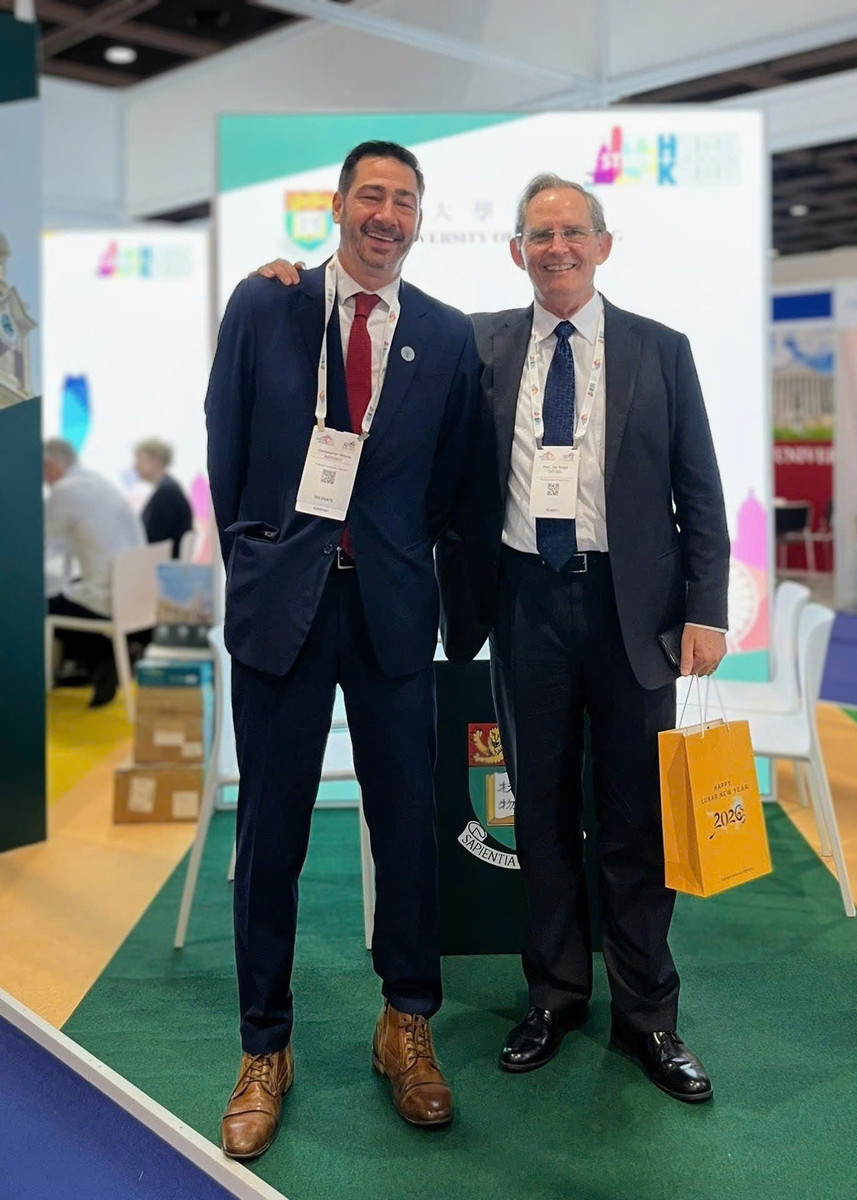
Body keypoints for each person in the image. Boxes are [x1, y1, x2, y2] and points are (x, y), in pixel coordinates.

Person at [256, 172, 730, 1105]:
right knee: (538, 815)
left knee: (633, 821)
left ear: (603, 245)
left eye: (573, 232)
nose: (557, 249)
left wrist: (705, 609)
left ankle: (649, 1015)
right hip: (522, 604)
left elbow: (700, 488)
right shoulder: (476, 342)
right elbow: (376, 339)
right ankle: (554, 995)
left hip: (632, 611)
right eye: (539, 236)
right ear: (516, 251)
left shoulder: (661, 349)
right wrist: (289, 290)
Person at [205, 141, 480, 1160]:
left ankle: (406, 1022)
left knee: (408, 827)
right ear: (336, 205)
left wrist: (400, 554)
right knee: (269, 833)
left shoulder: (445, 335)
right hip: (284, 606)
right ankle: (263, 1046)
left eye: (404, 201)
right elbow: (226, 441)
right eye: (371, 194)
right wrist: (258, 555)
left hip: (392, 610)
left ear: (418, 221)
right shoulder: (266, 305)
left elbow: (453, 477)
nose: (386, 214)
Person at [44, 438, 145, 707]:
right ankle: (105, 658)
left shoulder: (64, 491)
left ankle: (101, 657)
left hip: (108, 599)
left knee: (40, 605)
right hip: (135, 595)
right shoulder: (99, 482)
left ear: (50, 464)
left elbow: (42, 545)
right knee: (66, 589)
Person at [134, 438, 193, 557]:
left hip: (160, 563)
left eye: (141, 460)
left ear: (157, 460)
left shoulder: (167, 494)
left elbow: (153, 539)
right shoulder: (169, 490)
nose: (136, 466)